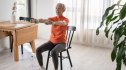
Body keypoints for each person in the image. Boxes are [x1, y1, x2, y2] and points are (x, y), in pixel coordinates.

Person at [33, 3, 69, 70]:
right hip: (52, 42)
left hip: (61, 43)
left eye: (59, 8)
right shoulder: (53, 18)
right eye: (56, 8)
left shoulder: (66, 19)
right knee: (38, 50)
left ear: (63, 10)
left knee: (53, 52)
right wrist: (36, 21)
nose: (57, 10)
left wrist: (53, 23)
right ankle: (42, 67)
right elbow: (44, 20)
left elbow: (63, 23)